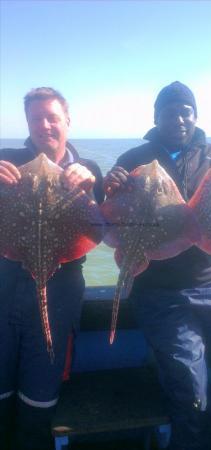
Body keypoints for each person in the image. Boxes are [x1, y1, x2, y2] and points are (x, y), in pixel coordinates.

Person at [103, 81, 211, 450]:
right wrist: (110, 188)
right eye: (170, 111)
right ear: (156, 117)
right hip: (161, 290)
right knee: (191, 390)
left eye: (186, 110)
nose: (179, 118)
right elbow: (108, 219)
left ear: (196, 115)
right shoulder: (132, 160)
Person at [0, 87, 104, 450]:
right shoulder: (6, 160)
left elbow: (103, 227)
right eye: (35, 119)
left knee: (38, 403)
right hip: (3, 291)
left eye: (52, 117)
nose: (44, 125)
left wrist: (90, 185)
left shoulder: (87, 171)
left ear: (68, 121)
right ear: (26, 124)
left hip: (57, 299)